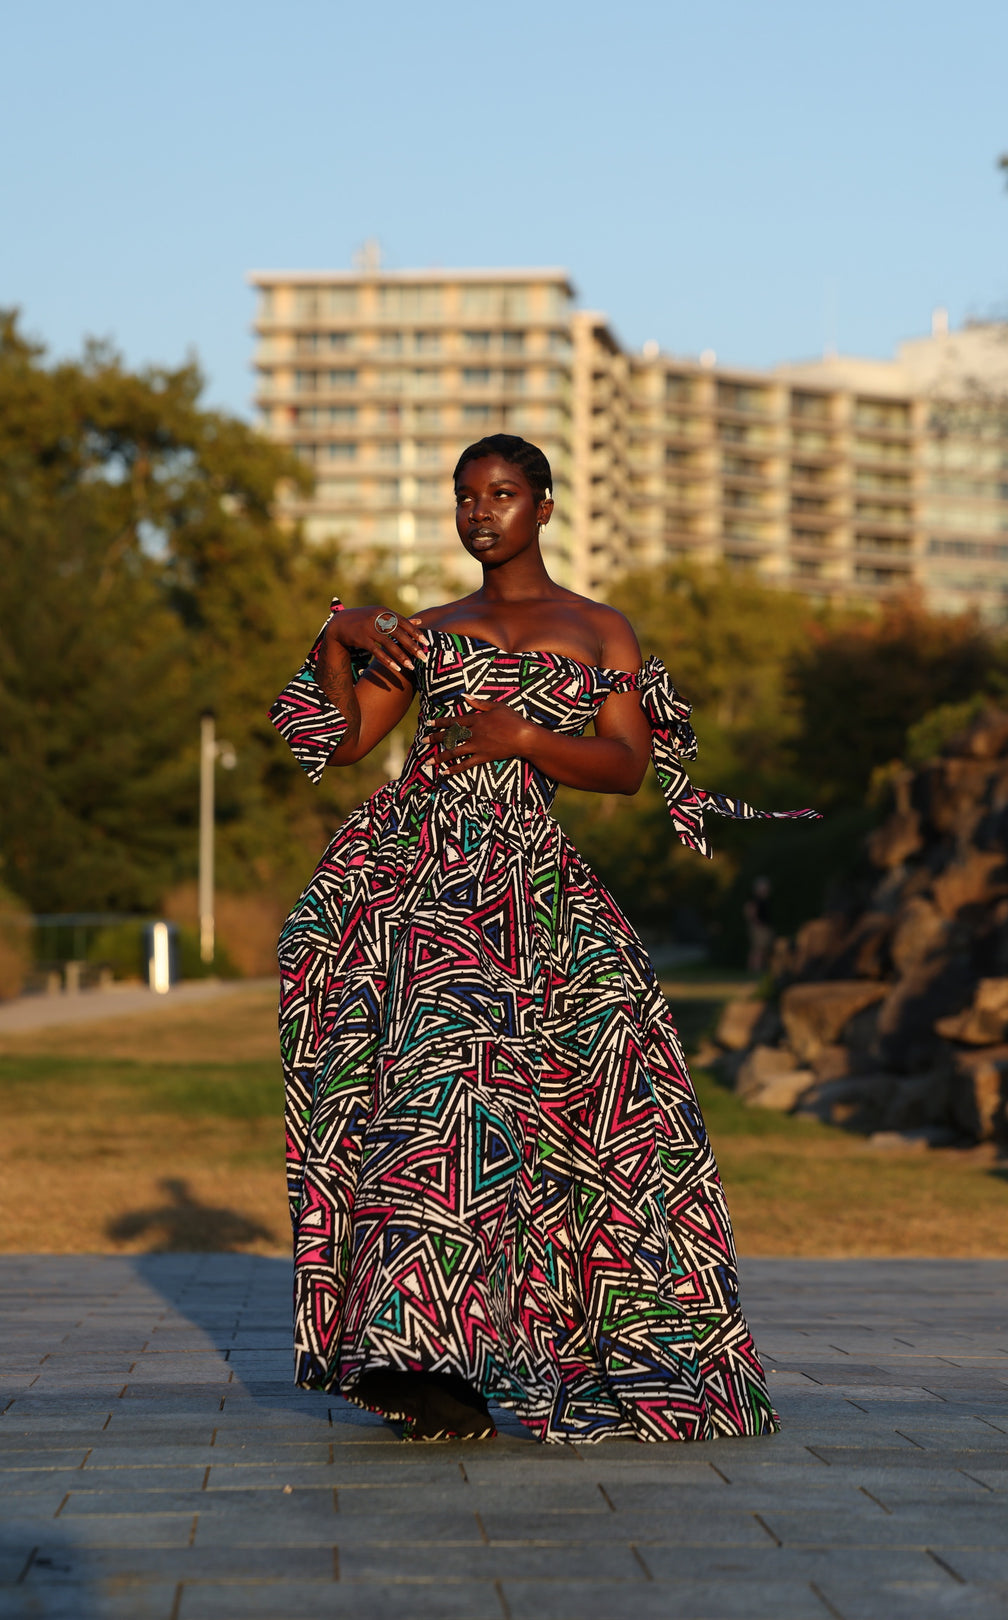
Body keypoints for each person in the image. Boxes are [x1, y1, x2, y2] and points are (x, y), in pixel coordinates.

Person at [269, 434, 818, 1444]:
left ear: (546, 508)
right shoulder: (428, 633)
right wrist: (337, 634)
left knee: (613, 1082)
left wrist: (523, 737)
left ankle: (620, 1340)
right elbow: (342, 740)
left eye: (504, 494)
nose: (482, 513)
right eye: (466, 497)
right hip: (421, 876)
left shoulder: (600, 629)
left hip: (535, 884)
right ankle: (415, 1355)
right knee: (442, 1075)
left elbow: (623, 767)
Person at [744, 876, 775, 976]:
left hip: (764, 927)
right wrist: (756, 923)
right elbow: (749, 911)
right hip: (759, 927)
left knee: (762, 950)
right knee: (758, 949)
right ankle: (755, 970)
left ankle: (759, 968)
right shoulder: (756, 900)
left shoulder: (764, 900)